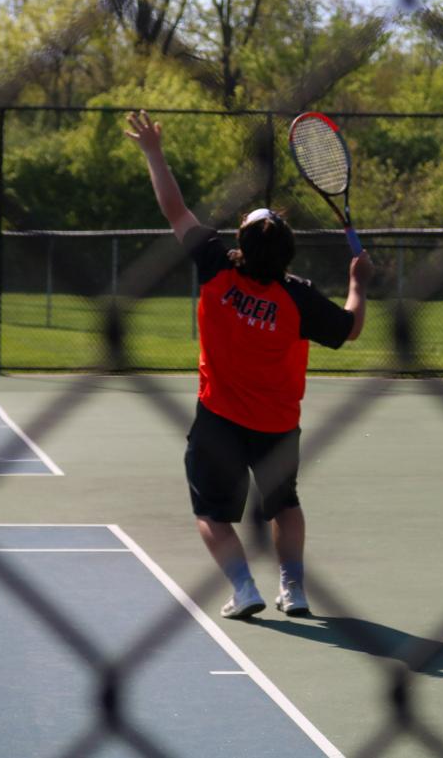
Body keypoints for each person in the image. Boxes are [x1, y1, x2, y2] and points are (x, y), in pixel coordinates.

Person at [125, 109, 372, 620]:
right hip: (278, 424)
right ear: (287, 254)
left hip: (219, 421)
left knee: (212, 514)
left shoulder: (215, 267)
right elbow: (349, 328)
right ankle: (294, 589)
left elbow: (175, 211)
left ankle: (244, 588)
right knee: (285, 505)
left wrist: (154, 152)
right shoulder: (298, 297)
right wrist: (358, 285)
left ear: (241, 242)